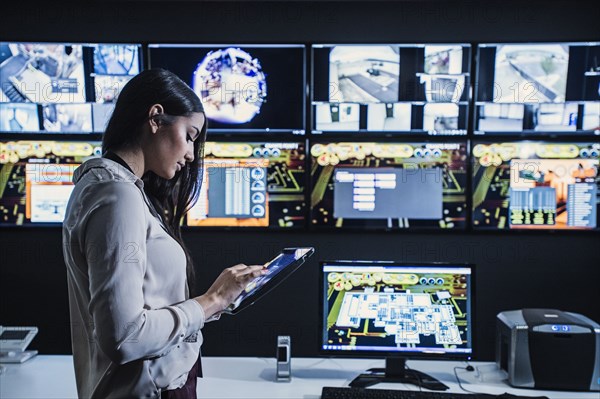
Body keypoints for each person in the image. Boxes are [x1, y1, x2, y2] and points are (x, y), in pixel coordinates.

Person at [62, 69, 266, 399]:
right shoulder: (117, 196)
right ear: (156, 118)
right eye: (190, 135)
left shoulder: (112, 189)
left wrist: (220, 299)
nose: (190, 153)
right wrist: (210, 301)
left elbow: (147, 306)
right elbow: (125, 338)